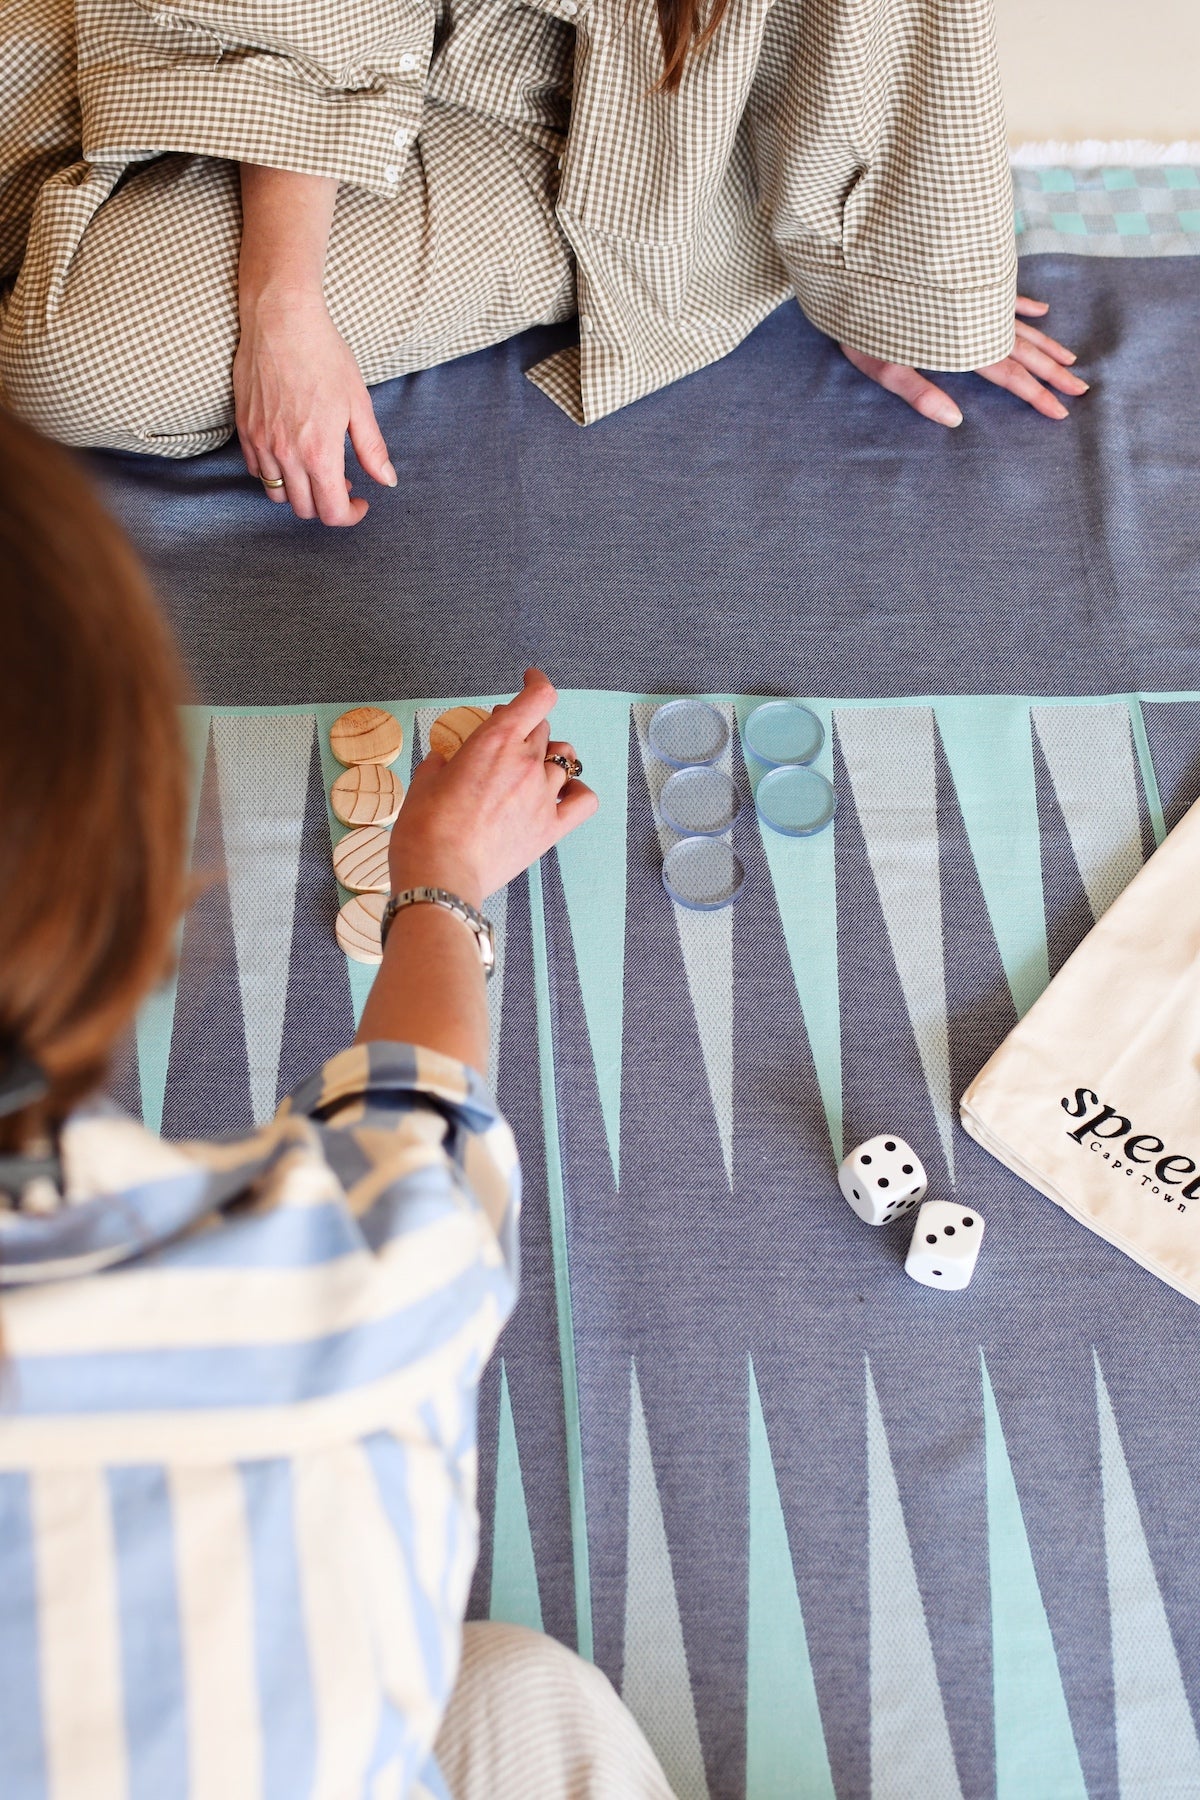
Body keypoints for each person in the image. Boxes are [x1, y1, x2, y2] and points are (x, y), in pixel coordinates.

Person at [0, 409, 674, 1799]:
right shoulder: (350, 1290)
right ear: (115, 898)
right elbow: (420, 1153)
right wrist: (439, 884)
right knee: (524, 1698)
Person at [0, 0, 1085, 526]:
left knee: (84, 356)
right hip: (296, 25)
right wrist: (284, 298)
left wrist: (889, 274)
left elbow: (885, 25)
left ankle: (765, 208)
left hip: (583, 119)